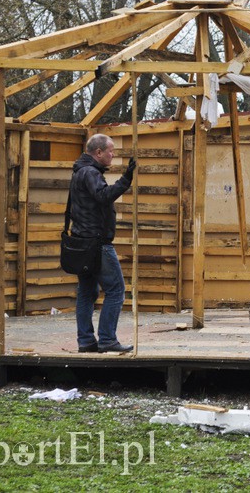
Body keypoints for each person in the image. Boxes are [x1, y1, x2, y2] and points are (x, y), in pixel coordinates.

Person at [71, 134, 136, 353]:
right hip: (97, 244)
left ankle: (86, 341)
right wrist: (126, 179)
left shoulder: (81, 171)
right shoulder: (90, 173)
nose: (113, 154)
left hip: (81, 243)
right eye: (110, 151)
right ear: (98, 152)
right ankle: (107, 339)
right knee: (116, 289)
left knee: (87, 292)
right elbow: (103, 196)